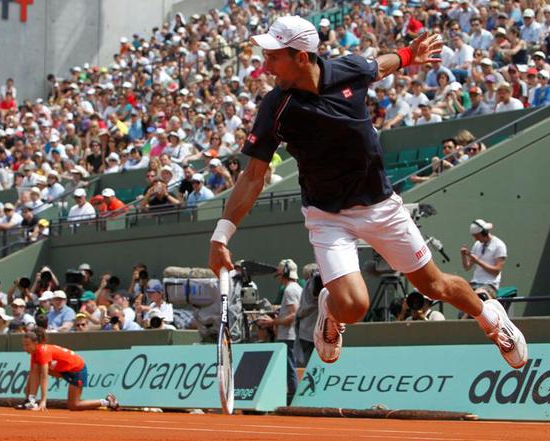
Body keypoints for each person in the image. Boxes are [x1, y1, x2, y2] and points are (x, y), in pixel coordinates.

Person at [207, 16, 527, 369]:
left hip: (381, 207)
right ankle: (331, 307)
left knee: (434, 286)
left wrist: (409, 54)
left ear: (301, 57)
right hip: (327, 216)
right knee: (354, 306)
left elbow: (379, 67)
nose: (264, 65)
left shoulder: (349, 70)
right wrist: (221, 237)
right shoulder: (275, 106)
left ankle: (492, 319)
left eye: (273, 56)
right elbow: (253, 176)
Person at [19, 327, 118, 411]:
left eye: (27, 345)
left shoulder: (43, 352)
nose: (25, 348)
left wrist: (43, 401)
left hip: (77, 369)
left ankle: (108, 401)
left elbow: (44, 378)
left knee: (74, 405)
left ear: (36, 343)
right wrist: (28, 397)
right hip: (64, 370)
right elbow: (33, 374)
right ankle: (30, 401)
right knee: (35, 370)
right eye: (23, 345)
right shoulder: (34, 353)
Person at [256, 258, 301, 404]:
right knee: (288, 366)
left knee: (289, 367)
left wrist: (271, 322)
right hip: (291, 334)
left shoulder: (289, 290)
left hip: (288, 335)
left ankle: (293, 398)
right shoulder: (297, 288)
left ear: (284, 274)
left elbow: (293, 315)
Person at [461, 219, 507, 291]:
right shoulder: (477, 245)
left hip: (490, 284)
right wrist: (464, 256)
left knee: (478, 294)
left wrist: (478, 261)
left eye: (477, 236)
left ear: (484, 233)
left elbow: (496, 271)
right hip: (475, 283)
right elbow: (467, 267)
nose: (476, 239)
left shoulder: (499, 245)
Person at [296, 265, 321, 366]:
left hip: (308, 331)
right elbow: (314, 303)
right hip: (311, 332)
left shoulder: (309, 284)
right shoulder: (312, 283)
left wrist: (300, 314)